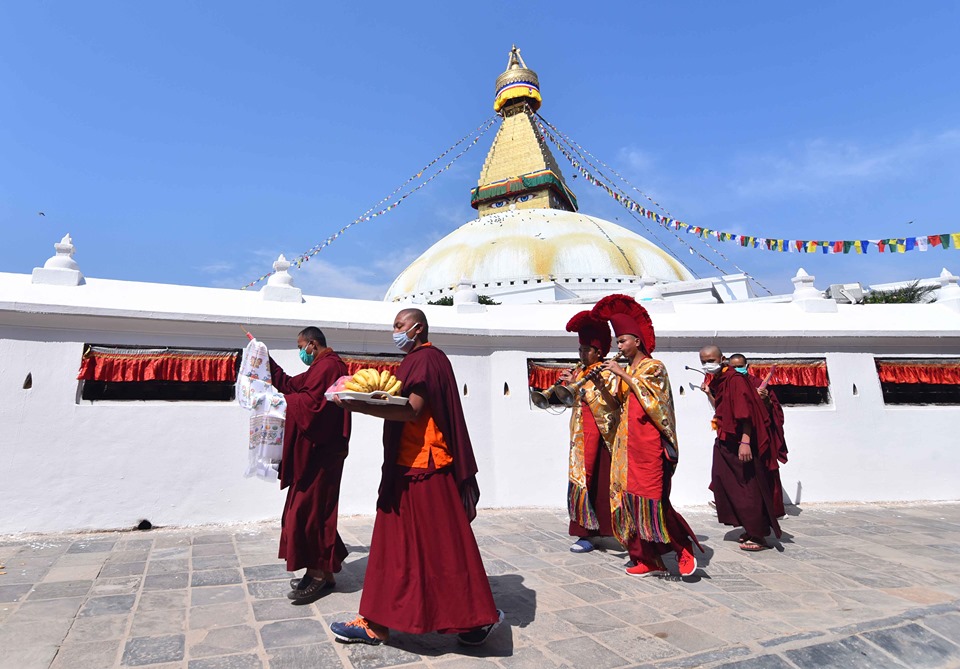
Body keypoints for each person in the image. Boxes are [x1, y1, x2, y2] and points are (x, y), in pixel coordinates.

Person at [330, 309, 503, 647]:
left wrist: (358, 405)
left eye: (399, 326)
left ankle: (462, 620)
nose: (394, 332)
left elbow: (412, 409)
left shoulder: (424, 360)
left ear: (417, 328)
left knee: (422, 544)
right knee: (431, 545)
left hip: (422, 465)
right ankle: (467, 622)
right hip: (415, 465)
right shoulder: (427, 359)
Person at [591, 295, 702, 577]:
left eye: (623, 341)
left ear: (637, 341)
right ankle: (647, 559)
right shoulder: (625, 371)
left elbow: (655, 400)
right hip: (625, 447)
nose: (619, 347)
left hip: (649, 446)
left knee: (654, 502)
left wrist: (623, 375)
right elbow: (614, 407)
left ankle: (682, 549)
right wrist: (599, 386)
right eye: (618, 342)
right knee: (628, 503)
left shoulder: (654, 367)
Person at [268, 327, 351, 604]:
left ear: (312, 345)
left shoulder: (329, 366)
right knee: (315, 511)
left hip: (323, 452)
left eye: (301, 346)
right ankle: (326, 573)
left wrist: (280, 402)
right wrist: (266, 361)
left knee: (307, 512)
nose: (301, 352)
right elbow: (295, 385)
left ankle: (316, 573)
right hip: (318, 452)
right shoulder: (321, 366)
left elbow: (314, 406)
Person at [699, 345, 782, 551]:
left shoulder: (736, 379)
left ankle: (759, 534)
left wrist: (745, 441)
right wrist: (709, 393)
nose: (708, 365)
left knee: (748, 488)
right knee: (724, 482)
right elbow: (721, 409)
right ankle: (748, 526)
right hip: (725, 440)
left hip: (741, 443)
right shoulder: (720, 380)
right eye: (703, 361)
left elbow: (747, 413)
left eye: (711, 360)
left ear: (722, 358)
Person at [561, 311, 619, 554]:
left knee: (601, 483)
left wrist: (589, 387)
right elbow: (570, 403)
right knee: (581, 482)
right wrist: (567, 385)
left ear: (598, 352)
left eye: (587, 350)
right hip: (580, 438)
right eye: (580, 349)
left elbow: (613, 402)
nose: (582, 354)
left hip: (603, 437)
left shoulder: (607, 373)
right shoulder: (579, 373)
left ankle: (608, 530)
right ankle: (585, 532)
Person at [728, 354, 789, 519]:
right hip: (737, 436)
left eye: (740, 366)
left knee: (767, 469)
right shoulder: (729, 385)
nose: (737, 370)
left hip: (761, 434)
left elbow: (775, 411)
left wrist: (765, 400)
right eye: (733, 367)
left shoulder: (757, 383)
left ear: (746, 366)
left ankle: (774, 507)